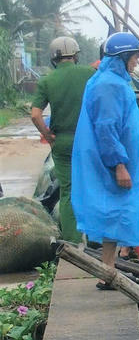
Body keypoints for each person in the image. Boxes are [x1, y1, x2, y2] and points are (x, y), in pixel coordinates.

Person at [71, 32, 139, 268]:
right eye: (134, 57)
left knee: (113, 215)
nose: (136, 61)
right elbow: (106, 127)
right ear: (122, 57)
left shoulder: (109, 81)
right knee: (115, 212)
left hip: (118, 161)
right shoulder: (109, 85)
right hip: (116, 163)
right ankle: (108, 269)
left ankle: (108, 268)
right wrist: (119, 165)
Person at [30, 36, 95, 242]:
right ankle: (95, 238)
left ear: (53, 58)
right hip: (88, 141)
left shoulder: (47, 81)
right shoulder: (90, 74)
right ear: (76, 55)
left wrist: (48, 135)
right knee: (92, 186)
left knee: (68, 192)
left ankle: (72, 243)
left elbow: (35, 114)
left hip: (63, 142)